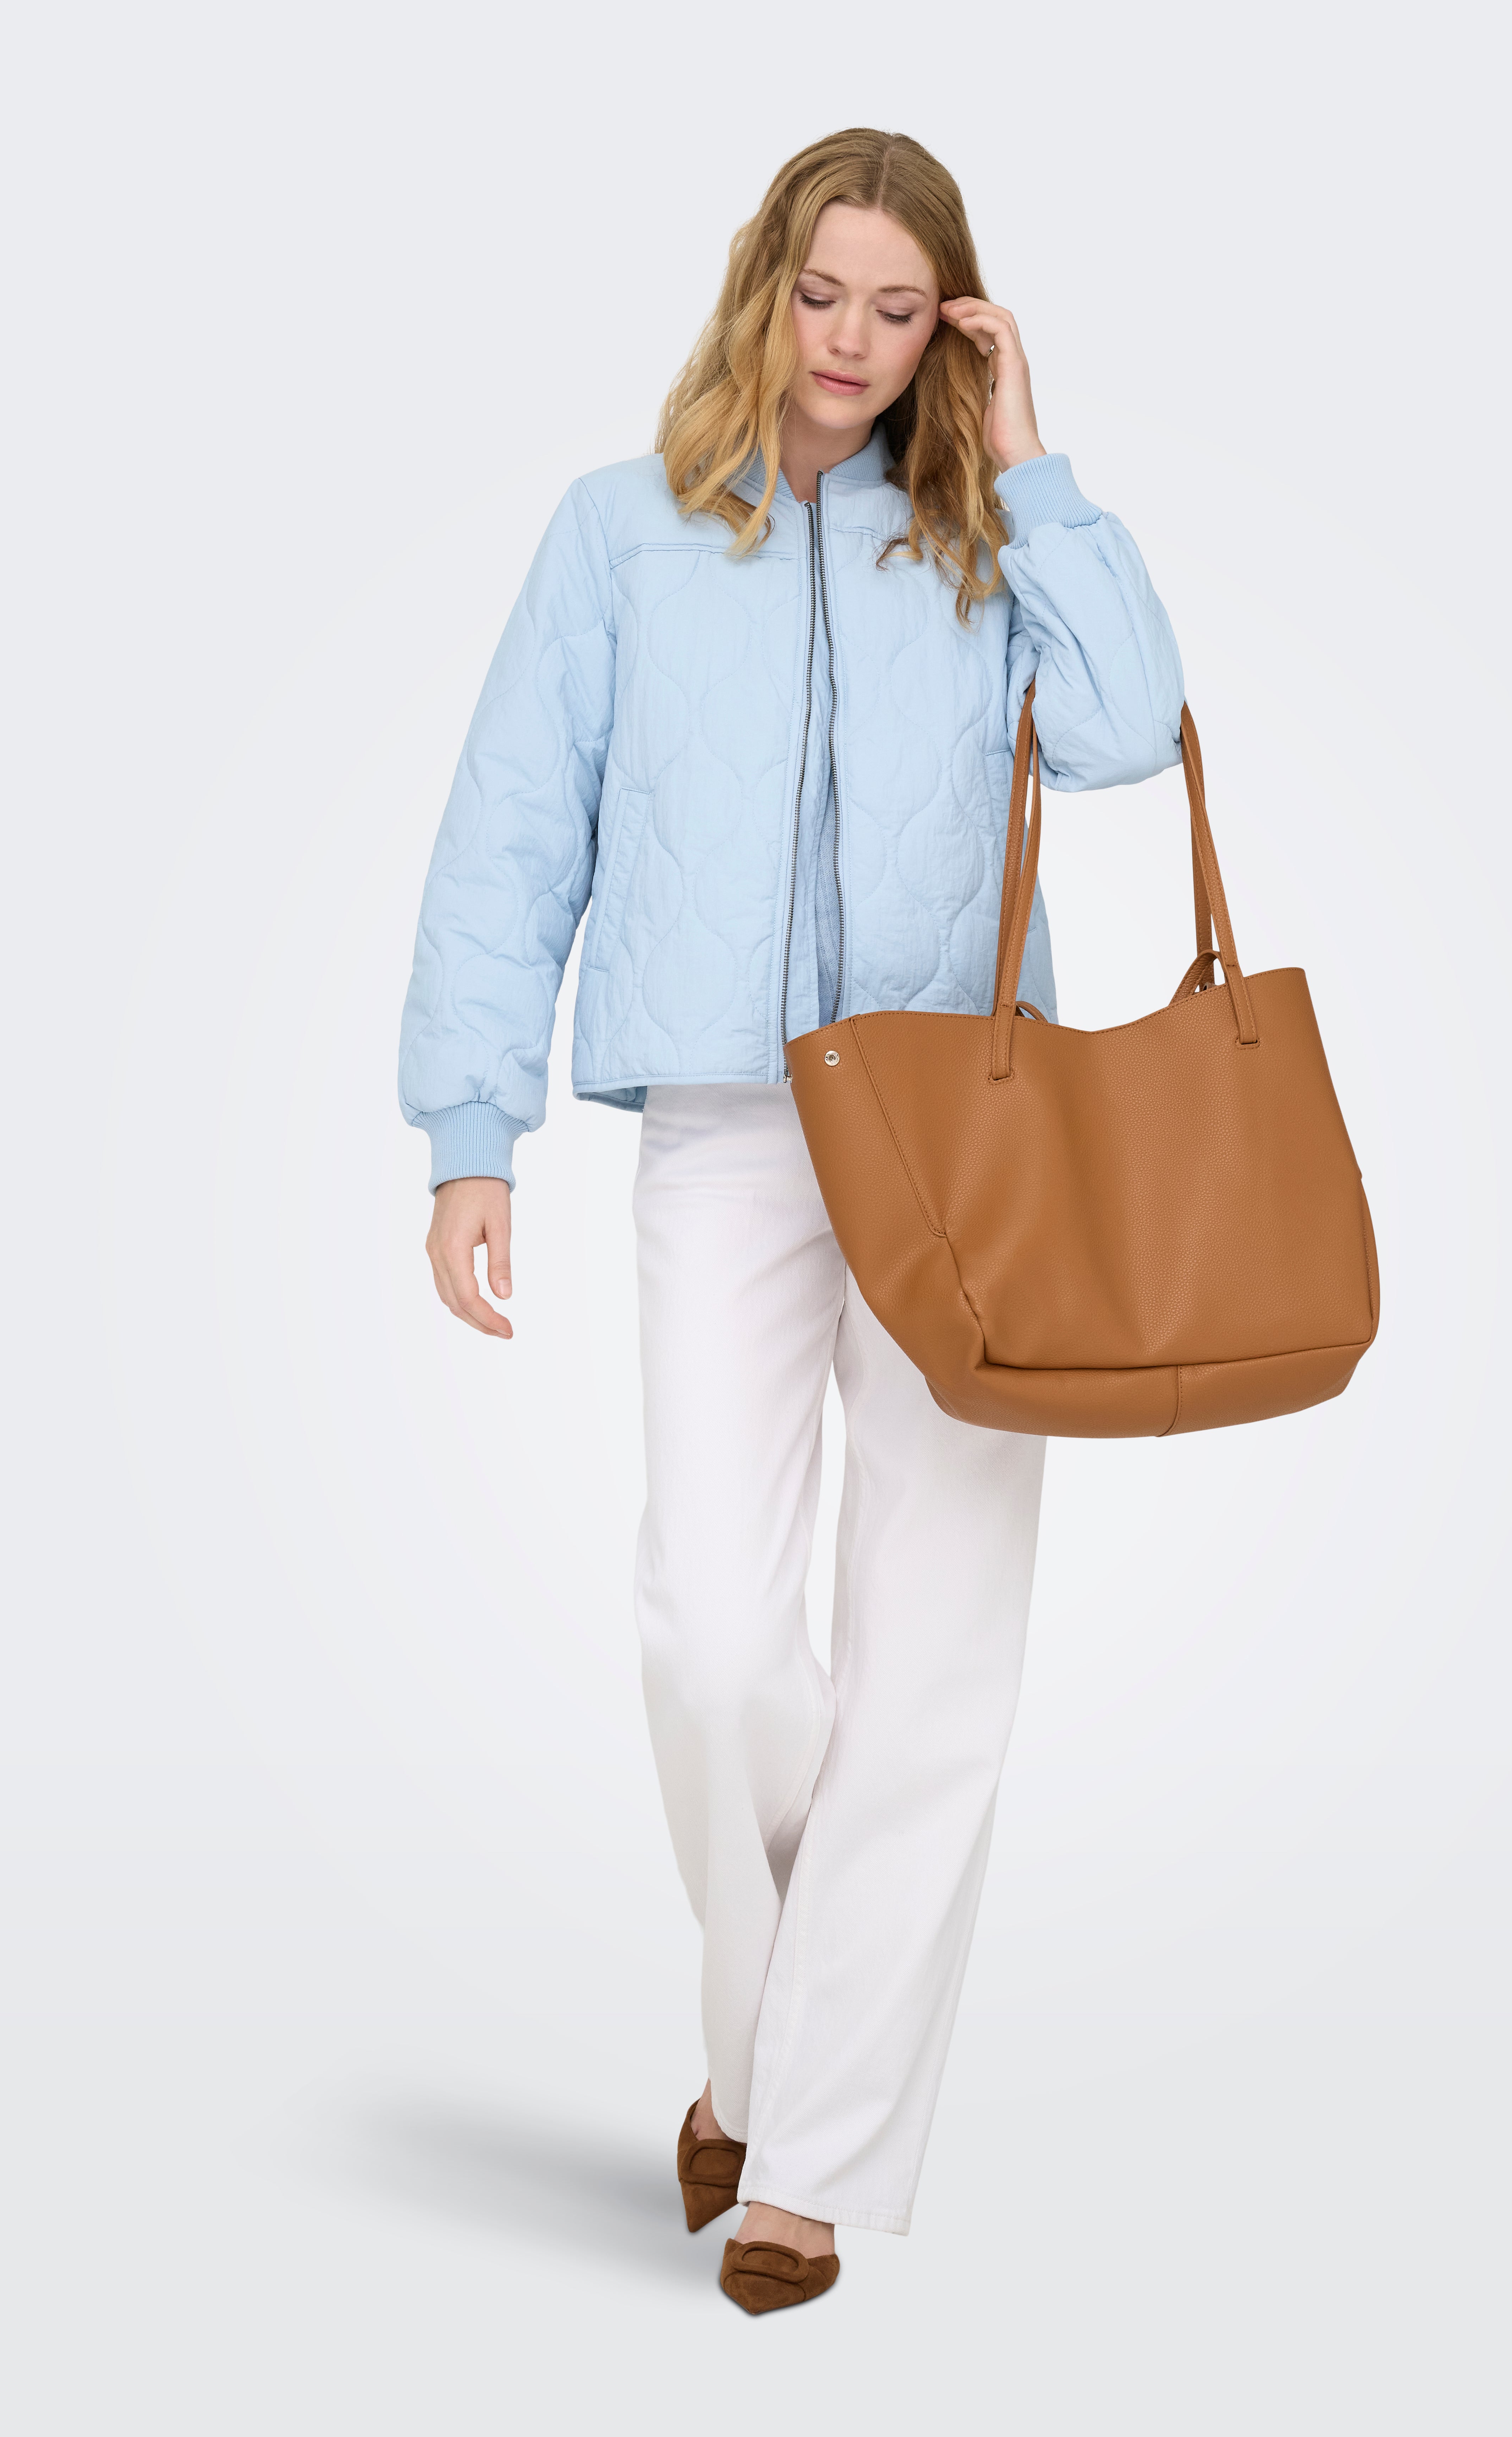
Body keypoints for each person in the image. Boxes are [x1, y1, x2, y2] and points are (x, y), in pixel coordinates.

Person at [398, 126, 1185, 2313]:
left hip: (970, 1133)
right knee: (717, 1639)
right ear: (765, 284)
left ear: (952, 329)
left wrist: (1029, 464)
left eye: (900, 310)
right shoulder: (622, 530)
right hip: (732, 1127)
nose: (851, 342)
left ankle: (803, 2164)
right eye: (823, 294)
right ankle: (758, 2059)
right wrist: (470, 1129)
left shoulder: (988, 537)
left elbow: (1131, 729)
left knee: (933, 1663)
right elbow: (511, 825)